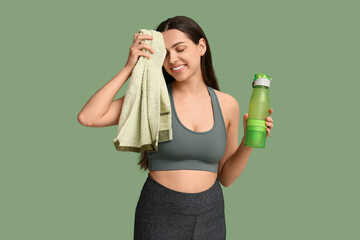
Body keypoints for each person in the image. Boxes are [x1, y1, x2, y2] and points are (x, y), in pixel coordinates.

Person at [78, 15, 274, 240]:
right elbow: (89, 116)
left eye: (180, 49)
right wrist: (128, 68)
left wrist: (249, 141)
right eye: (165, 53)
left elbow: (226, 177)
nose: (173, 59)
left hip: (211, 214)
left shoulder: (228, 104)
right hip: (160, 210)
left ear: (201, 46)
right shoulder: (152, 99)